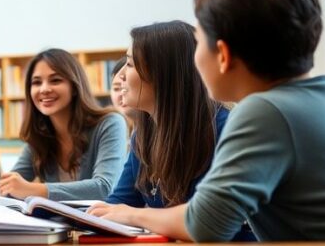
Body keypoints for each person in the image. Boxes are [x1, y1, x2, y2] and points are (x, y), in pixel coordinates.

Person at [89, 0, 325, 241]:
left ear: (223, 55)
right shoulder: (316, 96)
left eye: (199, 42)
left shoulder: (263, 112)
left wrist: (130, 214)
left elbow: (205, 226)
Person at [93, 21, 253, 240]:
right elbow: (117, 206)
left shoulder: (225, 130)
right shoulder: (143, 134)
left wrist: (133, 215)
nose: (119, 75)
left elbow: (205, 223)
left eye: (129, 64)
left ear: (163, 73)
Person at [0, 49, 127, 200]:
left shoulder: (110, 123)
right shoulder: (40, 135)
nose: (44, 89)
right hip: (59, 224)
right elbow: (13, 183)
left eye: (55, 80)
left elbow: (104, 188)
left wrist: (33, 189)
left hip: (103, 223)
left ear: (74, 87)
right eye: (36, 82)